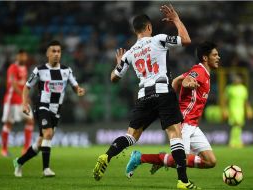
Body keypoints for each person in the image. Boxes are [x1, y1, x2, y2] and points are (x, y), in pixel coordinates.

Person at [93, 4, 200, 189]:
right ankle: (182, 181)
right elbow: (186, 39)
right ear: (149, 27)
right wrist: (175, 19)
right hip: (163, 92)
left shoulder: (130, 53)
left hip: (144, 96)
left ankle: (107, 155)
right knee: (175, 134)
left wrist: (119, 64)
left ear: (135, 31)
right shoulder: (158, 39)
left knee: (131, 136)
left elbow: (113, 78)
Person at [125, 42, 220, 180]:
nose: (218, 57)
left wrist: (170, 98)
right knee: (180, 161)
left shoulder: (206, 74)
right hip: (184, 122)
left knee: (210, 161)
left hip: (193, 125)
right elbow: (187, 79)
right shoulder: (199, 71)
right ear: (205, 58)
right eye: (215, 55)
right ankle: (141, 158)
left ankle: (164, 158)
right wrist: (189, 83)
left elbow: (176, 80)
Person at [13, 40, 85, 177]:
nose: (56, 54)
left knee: (41, 143)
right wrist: (24, 103)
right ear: (47, 53)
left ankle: (19, 161)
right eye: (53, 51)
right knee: (48, 134)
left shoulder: (66, 70)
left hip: (56, 110)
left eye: (59, 51)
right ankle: (46, 169)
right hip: (42, 106)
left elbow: (75, 86)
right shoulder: (39, 70)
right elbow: (27, 87)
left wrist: (79, 90)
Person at [1, 49, 34, 157]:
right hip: (12, 101)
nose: (23, 58)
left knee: (30, 120)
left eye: (24, 56)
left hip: (21, 100)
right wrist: (24, 96)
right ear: (17, 57)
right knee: (8, 124)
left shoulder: (24, 68)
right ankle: (4, 150)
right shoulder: (12, 68)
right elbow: (13, 85)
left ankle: (26, 149)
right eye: (21, 56)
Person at [222, 74, 252, 148]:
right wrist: (225, 110)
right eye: (235, 80)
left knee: (238, 126)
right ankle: (234, 142)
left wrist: (248, 110)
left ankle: (236, 142)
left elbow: (246, 101)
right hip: (232, 109)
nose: (237, 81)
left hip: (241, 110)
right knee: (236, 124)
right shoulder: (229, 88)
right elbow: (225, 100)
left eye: (238, 79)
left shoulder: (243, 89)